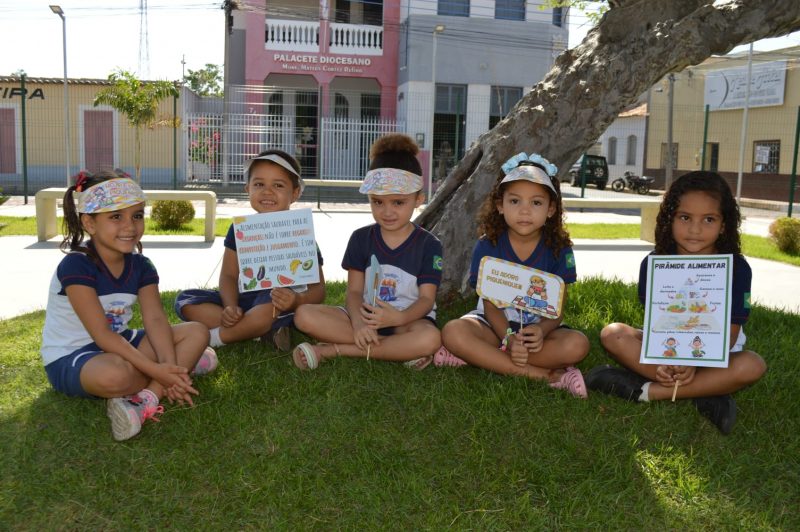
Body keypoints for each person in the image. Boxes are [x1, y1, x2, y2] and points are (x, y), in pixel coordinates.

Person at [40, 170, 215, 442]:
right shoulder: (76, 265)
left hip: (120, 342)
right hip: (71, 355)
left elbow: (155, 320)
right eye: (115, 217)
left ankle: (148, 397)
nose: (130, 226)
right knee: (115, 376)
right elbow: (101, 335)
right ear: (89, 222)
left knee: (197, 332)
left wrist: (167, 365)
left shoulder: (141, 266)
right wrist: (159, 370)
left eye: (137, 215)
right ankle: (184, 368)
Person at [587, 171, 767, 434]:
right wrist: (668, 360)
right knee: (612, 334)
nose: (695, 229)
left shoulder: (737, 269)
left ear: (724, 224)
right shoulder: (653, 263)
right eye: (685, 218)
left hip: (717, 351)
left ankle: (647, 391)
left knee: (753, 365)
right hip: (666, 347)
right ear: (669, 219)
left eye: (708, 219)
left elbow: (731, 330)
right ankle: (707, 392)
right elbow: (657, 321)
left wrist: (694, 362)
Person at [439, 152, 590, 397]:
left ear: (551, 209)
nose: (525, 211)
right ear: (500, 205)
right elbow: (489, 306)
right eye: (515, 201)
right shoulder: (488, 245)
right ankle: (545, 375)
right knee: (454, 332)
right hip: (492, 325)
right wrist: (508, 339)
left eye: (536, 203)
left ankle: (484, 358)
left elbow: (558, 308)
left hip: (536, 330)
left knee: (578, 344)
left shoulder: (559, 250)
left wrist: (541, 332)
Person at [292, 133, 442, 370]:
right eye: (378, 202)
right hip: (364, 318)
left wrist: (400, 318)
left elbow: (426, 299)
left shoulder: (430, 245)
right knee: (303, 316)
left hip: (409, 321)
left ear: (418, 199)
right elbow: (353, 293)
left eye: (398, 202)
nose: (387, 211)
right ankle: (399, 349)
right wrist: (359, 324)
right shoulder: (360, 238)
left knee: (430, 338)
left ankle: (333, 349)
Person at [174, 150, 325, 350]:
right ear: (248, 189)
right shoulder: (239, 230)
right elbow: (228, 276)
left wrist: (297, 300)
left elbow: (319, 290)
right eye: (259, 184)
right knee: (186, 300)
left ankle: (215, 337)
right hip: (242, 301)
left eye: (278, 185)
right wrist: (230, 306)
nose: (267, 191)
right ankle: (253, 330)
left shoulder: (301, 233)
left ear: (295, 193)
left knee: (269, 309)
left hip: (278, 303)